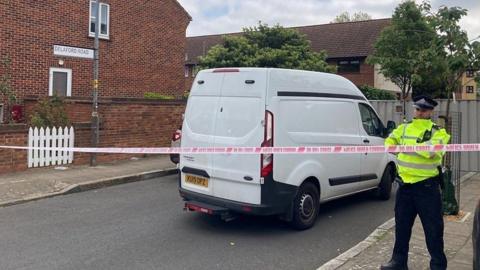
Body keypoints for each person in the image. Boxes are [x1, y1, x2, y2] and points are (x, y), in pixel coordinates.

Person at [381, 95, 450, 270]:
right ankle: (398, 262)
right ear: (414, 109)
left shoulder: (438, 132)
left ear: (431, 112)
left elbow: (432, 153)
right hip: (404, 186)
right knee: (401, 228)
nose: (420, 113)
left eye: (424, 110)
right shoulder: (403, 128)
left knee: (433, 230)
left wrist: (405, 148)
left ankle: (438, 265)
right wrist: (396, 145)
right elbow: (389, 142)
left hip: (426, 187)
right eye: (418, 109)